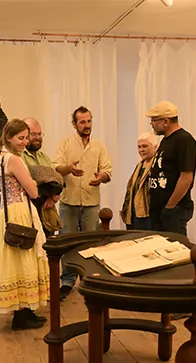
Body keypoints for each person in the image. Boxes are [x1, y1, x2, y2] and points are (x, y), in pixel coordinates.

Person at [0, 119, 50, 331]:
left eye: (26, 137)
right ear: (8, 138)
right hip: (19, 211)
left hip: (7, 213)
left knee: (15, 261)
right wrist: (34, 183)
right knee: (24, 259)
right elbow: (33, 191)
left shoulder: (0, 158)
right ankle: (22, 314)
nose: (25, 142)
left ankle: (24, 310)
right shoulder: (14, 160)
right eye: (20, 138)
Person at [53, 106, 113, 300]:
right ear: (74, 124)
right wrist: (68, 169)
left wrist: (101, 177)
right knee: (68, 243)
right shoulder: (64, 144)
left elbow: (107, 170)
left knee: (91, 244)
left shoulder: (99, 146)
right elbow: (56, 168)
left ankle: (89, 280)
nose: (87, 125)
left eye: (89, 121)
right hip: (68, 202)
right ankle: (67, 281)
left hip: (91, 202)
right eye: (82, 122)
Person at [146, 101, 196, 236]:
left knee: (174, 246)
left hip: (174, 210)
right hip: (160, 209)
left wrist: (170, 206)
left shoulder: (183, 140)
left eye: (154, 120)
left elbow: (186, 176)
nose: (152, 124)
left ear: (166, 121)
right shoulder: (166, 140)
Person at [22, 117, 64, 237]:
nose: (37, 137)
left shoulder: (44, 157)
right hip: (28, 211)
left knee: (48, 244)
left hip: (46, 210)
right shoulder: (19, 157)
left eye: (39, 134)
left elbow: (56, 180)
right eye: (33, 134)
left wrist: (53, 197)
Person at [120, 132, 158, 230]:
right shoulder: (139, 166)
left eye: (145, 146)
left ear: (155, 147)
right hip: (134, 213)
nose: (141, 150)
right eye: (139, 147)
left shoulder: (158, 165)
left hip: (149, 214)